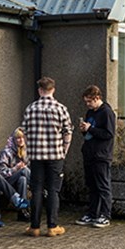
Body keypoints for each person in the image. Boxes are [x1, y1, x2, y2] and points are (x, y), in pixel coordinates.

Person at [22, 76, 73, 237]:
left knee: (36, 190)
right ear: (53, 90)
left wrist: (26, 152)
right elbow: (68, 132)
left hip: (36, 155)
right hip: (55, 155)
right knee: (53, 190)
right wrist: (64, 150)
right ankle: (52, 226)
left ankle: (34, 226)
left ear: (40, 90)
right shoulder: (61, 108)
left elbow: (23, 132)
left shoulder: (31, 108)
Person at [76, 85, 116, 228]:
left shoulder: (107, 113)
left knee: (103, 186)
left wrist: (90, 129)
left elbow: (109, 134)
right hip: (89, 153)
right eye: (86, 102)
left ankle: (105, 215)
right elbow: (90, 133)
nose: (87, 104)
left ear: (97, 98)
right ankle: (92, 213)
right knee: (92, 186)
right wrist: (84, 130)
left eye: (89, 101)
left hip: (101, 155)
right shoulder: (90, 113)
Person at [0, 127, 32, 218]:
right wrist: (15, 168)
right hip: (6, 182)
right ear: (13, 139)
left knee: (23, 179)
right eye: (18, 138)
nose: (21, 140)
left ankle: (22, 212)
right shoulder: (5, 153)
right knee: (23, 171)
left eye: (23, 137)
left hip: (18, 181)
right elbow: (1, 173)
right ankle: (39, 187)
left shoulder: (25, 152)